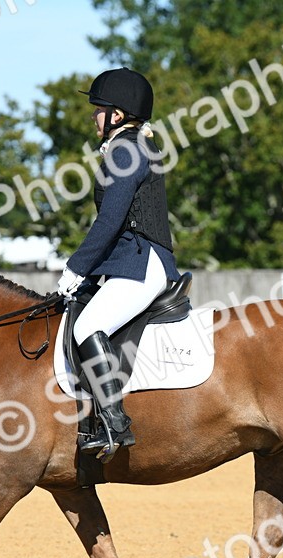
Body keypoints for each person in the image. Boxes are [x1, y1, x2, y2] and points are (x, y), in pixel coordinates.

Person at [57, 67, 181, 462]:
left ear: (118, 114)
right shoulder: (130, 146)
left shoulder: (127, 149)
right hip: (131, 260)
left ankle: (114, 422)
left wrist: (77, 267)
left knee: (89, 325)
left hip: (142, 261)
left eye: (99, 109)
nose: (93, 116)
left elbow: (111, 220)